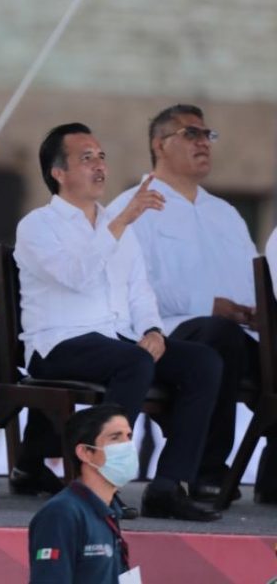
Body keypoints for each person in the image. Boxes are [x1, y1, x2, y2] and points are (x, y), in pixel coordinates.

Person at [14, 122, 221, 521]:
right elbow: (76, 276)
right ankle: (98, 483)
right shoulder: (38, 225)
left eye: (102, 156)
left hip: (116, 339)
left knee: (203, 362)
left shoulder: (116, 226)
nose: (99, 166)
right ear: (58, 172)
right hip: (58, 343)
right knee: (134, 362)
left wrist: (154, 330)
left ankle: (167, 486)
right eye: (86, 158)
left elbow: (140, 291)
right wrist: (120, 222)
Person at [108, 104, 275, 504]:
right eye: (191, 134)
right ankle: (206, 470)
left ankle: (274, 472)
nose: (203, 142)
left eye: (207, 135)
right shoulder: (132, 207)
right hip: (163, 333)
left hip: (234, 334)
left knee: (243, 338)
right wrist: (208, 304)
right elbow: (126, 287)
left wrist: (254, 312)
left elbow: (252, 281)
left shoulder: (226, 214)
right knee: (217, 334)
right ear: (159, 145)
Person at [28, 404, 139, 584]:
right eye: (115, 438)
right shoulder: (61, 513)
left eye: (129, 436)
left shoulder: (109, 510)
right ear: (85, 453)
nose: (127, 446)